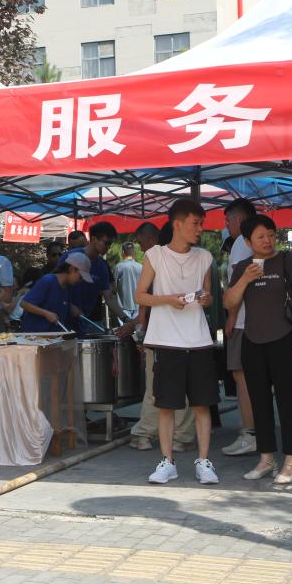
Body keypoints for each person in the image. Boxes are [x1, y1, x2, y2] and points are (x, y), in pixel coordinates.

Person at [135, 199, 220, 485]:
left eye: (201, 223)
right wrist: (168, 300)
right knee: (166, 405)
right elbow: (140, 295)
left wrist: (206, 298)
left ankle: (204, 461)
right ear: (177, 224)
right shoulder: (155, 255)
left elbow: (207, 295)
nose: (200, 229)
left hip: (198, 340)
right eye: (196, 223)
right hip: (166, 340)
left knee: (202, 404)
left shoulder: (205, 257)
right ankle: (167, 461)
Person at [226, 215, 292, 484]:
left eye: (272, 235)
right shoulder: (243, 267)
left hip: (284, 339)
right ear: (248, 241)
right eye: (261, 237)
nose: (268, 241)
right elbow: (229, 302)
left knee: (288, 402)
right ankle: (266, 458)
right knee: (259, 402)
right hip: (252, 341)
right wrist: (244, 279)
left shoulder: (286, 260)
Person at [127, 222, 197, 451]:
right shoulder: (191, 261)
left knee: (158, 386)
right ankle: (178, 436)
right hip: (178, 332)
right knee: (176, 385)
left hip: (168, 333)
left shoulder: (159, 259)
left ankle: (148, 433)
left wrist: (141, 332)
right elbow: (143, 301)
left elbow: (143, 302)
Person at [221, 198, 258, 457]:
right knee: (251, 378)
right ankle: (256, 430)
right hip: (258, 320)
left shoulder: (240, 244)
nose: (226, 226)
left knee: (242, 377)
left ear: (240, 219)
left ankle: (250, 433)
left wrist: (231, 317)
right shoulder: (254, 242)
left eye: (228, 220)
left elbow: (237, 286)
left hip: (244, 320)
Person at [62, 222, 127, 334]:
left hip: (86, 322)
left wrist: (126, 319)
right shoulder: (70, 256)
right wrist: (69, 305)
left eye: (110, 244)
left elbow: (109, 298)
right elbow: (56, 285)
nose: (108, 247)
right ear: (93, 239)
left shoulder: (102, 265)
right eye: (106, 243)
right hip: (63, 321)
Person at [20, 253, 93, 332]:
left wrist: (72, 308)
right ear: (72, 269)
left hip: (53, 335)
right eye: (81, 277)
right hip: (35, 335)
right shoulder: (48, 281)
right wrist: (46, 313)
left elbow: (56, 301)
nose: (81, 281)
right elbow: (24, 303)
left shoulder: (67, 287)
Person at [114, 242, 142, 319]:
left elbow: (113, 288)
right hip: (139, 307)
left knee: (124, 327)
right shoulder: (141, 267)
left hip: (123, 308)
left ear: (123, 252)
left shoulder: (119, 267)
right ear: (134, 252)